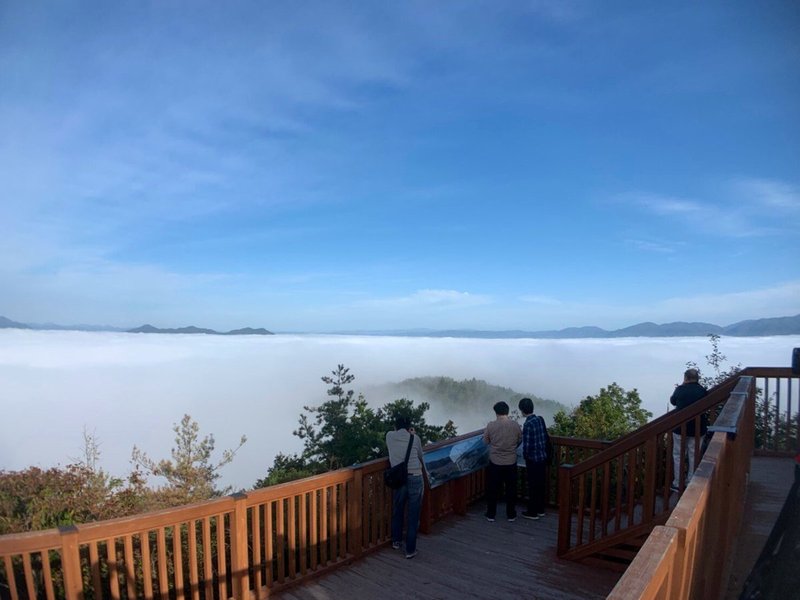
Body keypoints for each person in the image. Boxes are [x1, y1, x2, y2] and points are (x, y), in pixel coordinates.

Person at [386, 415, 426, 559]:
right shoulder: (415, 438)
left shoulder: (389, 436)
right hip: (415, 476)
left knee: (398, 510)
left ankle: (396, 541)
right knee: (413, 514)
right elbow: (421, 455)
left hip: (400, 479)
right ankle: (410, 550)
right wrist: (412, 435)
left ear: (395, 426)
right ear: (409, 427)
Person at [483, 400, 522, 522]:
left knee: (493, 488)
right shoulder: (515, 425)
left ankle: (491, 514)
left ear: (496, 412)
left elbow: (486, 441)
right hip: (511, 461)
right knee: (511, 489)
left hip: (495, 461)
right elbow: (520, 439)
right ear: (507, 411)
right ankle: (511, 514)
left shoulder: (491, 425)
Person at [670, 368, 708, 491]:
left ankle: (677, 483)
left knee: (678, 454)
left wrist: (681, 387)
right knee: (694, 454)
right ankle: (691, 481)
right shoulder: (702, 391)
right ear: (697, 379)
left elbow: (673, 401)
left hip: (680, 428)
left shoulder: (680, 389)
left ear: (686, 378)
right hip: (698, 429)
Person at [518, 397, 548, 520]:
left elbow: (527, 445)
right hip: (542, 457)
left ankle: (532, 512)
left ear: (522, 410)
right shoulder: (539, 419)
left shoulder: (528, 424)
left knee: (533, 486)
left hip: (533, 460)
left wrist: (524, 457)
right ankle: (541, 509)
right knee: (540, 485)